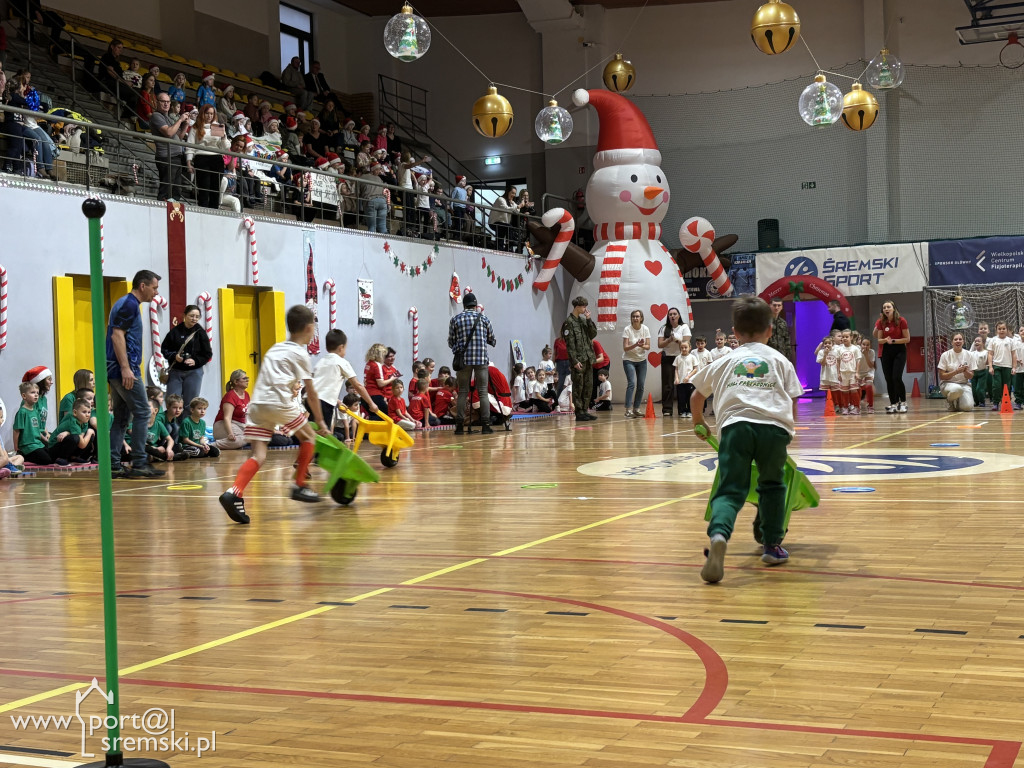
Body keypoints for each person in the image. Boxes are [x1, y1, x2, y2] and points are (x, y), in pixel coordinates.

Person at [691, 297, 804, 583]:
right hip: (773, 430)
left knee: (729, 489)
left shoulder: (725, 359)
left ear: (735, 332)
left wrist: (699, 422)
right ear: (770, 330)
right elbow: (793, 399)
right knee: (772, 486)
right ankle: (771, 545)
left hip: (735, 428)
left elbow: (697, 396)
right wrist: (788, 431)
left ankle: (719, 535)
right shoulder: (780, 359)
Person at [219, 306, 329, 524]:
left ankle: (234, 492)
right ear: (309, 328)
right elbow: (312, 393)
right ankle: (299, 485)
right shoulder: (300, 353)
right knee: (310, 437)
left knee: (258, 455)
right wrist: (320, 420)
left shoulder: (275, 348)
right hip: (279, 402)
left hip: (257, 405)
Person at [107, 270, 164, 478]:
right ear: (142, 286)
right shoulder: (129, 304)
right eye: (154, 288)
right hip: (124, 370)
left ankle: (113, 465)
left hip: (118, 369)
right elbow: (117, 336)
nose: (156, 293)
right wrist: (125, 368)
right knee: (143, 412)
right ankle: (139, 462)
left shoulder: (129, 304)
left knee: (122, 417)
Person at [309, 329, 379, 431]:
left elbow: (320, 387)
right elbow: (357, 385)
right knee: (322, 433)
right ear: (341, 348)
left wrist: (338, 402)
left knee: (314, 432)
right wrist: (371, 403)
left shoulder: (321, 362)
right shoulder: (341, 362)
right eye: (345, 348)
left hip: (310, 400)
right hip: (323, 403)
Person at [448, 292, 496, 435]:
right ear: (475, 305)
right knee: (483, 392)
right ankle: (486, 425)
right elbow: (492, 339)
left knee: (463, 391)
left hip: (463, 360)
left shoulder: (456, 319)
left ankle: (459, 426)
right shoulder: (484, 318)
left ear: (464, 305)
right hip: (481, 359)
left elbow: (451, 342)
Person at [161, 304, 213, 413]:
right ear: (184, 316)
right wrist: (174, 356)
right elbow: (164, 349)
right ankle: (172, 423)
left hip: (194, 372)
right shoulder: (175, 331)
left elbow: (207, 354)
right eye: (191, 316)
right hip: (176, 372)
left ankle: (186, 423)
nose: (194, 319)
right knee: (172, 402)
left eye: (197, 317)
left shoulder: (201, 333)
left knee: (190, 404)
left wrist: (196, 361)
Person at [186, 104, 229, 209]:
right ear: (202, 114)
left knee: (215, 189)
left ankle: (214, 211)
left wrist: (223, 137)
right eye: (207, 113)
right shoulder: (196, 127)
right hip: (201, 158)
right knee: (204, 188)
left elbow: (225, 147)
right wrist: (189, 162)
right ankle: (203, 211)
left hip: (217, 159)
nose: (210, 116)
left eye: (212, 114)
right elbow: (190, 146)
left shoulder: (217, 127)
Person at [563, 296, 598, 421]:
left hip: (588, 358)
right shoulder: (569, 322)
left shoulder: (583, 321)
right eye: (583, 306)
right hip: (578, 360)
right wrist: (574, 361)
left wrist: (589, 319)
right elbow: (569, 344)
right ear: (577, 307)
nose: (585, 309)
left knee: (588, 386)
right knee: (578, 386)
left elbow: (593, 334)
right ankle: (579, 412)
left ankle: (584, 409)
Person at [873, 300, 910, 413]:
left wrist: (893, 341)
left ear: (893, 308)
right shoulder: (881, 322)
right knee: (888, 379)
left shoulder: (901, 321)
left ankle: (903, 402)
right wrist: (885, 340)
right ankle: (893, 403)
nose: (886, 309)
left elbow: (907, 339)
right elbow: (879, 340)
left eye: (888, 307)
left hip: (899, 350)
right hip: (886, 351)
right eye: (884, 307)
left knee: (896, 377)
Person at [151, 91, 189, 201]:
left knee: (176, 191)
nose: (166, 104)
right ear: (157, 102)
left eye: (168, 102)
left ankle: (173, 210)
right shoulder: (156, 116)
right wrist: (180, 119)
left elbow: (179, 137)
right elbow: (168, 133)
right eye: (163, 101)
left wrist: (186, 124)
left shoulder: (167, 118)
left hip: (176, 156)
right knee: (166, 190)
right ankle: (162, 208)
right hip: (167, 157)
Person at [657, 307, 691, 417]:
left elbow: (686, 343)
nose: (672, 316)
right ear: (668, 316)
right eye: (670, 314)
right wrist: (669, 340)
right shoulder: (664, 328)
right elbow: (660, 345)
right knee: (668, 384)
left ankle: (683, 409)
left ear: (679, 315)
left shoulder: (684, 327)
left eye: (674, 314)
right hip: (668, 358)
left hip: (681, 358)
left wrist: (677, 340)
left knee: (682, 384)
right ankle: (667, 409)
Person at [13, 381, 54, 464]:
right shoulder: (22, 412)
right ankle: (24, 456)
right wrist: (16, 447)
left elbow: (37, 430)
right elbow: (16, 431)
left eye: (37, 393)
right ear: (24, 396)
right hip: (28, 446)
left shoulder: (35, 411)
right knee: (47, 460)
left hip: (38, 443)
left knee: (53, 455)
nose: (36, 395)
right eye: (32, 392)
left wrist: (46, 441)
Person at [622, 309, 650, 418]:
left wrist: (641, 345)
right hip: (629, 360)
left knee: (641, 385)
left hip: (642, 360)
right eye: (633, 316)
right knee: (631, 383)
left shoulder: (645, 329)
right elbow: (625, 348)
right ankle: (628, 409)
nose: (635, 318)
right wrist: (636, 344)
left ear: (641, 318)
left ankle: (636, 409)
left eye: (637, 316)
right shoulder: (627, 329)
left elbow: (648, 346)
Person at [212, 370, 250, 450]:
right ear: (236, 382)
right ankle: (208, 446)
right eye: (244, 378)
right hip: (223, 424)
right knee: (242, 440)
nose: (247, 380)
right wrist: (230, 433)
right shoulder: (230, 396)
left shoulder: (246, 394)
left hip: (239, 425)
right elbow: (227, 418)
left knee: (254, 436)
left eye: (247, 378)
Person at [938, 332, 975, 412]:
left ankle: (958, 401)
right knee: (957, 389)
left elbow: (971, 376)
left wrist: (965, 371)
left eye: (960, 339)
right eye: (955, 339)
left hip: (964, 384)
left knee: (967, 407)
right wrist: (956, 371)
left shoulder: (970, 355)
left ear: (963, 342)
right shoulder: (945, 355)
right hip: (948, 384)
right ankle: (950, 401)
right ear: (952, 342)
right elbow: (941, 376)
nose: (958, 341)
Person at [987, 321, 1017, 410]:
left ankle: (1006, 402)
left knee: (1007, 385)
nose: (1002, 330)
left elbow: (1014, 355)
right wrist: (990, 366)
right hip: (996, 366)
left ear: (1007, 330)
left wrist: (1014, 367)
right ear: (996, 330)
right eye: (999, 329)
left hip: (1007, 367)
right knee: (996, 386)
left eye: (1004, 329)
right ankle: (996, 403)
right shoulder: (993, 340)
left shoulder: (1011, 341)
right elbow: (990, 354)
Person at [144, 396, 182, 462]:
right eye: (175, 407)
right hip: (151, 446)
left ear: (156, 410)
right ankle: (168, 457)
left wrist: (169, 449)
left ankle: (165, 455)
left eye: (180, 408)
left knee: (178, 446)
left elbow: (170, 440)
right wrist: (157, 448)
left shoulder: (172, 418)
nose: (178, 410)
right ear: (168, 407)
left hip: (158, 445)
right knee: (169, 427)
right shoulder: (158, 418)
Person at [836, 329, 863, 415]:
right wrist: (838, 373)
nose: (844, 338)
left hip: (852, 373)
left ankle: (856, 407)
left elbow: (858, 361)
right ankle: (845, 407)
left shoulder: (855, 349)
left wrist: (857, 372)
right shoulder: (839, 349)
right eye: (843, 337)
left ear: (851, 337)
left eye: (846, 337)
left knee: (854, 390)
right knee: (844, 391)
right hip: (843, 373)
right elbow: (838, 361)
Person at [672, 340, 698, 418]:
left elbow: (695, 369)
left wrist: (688, 377)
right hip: (681, 382)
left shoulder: (692, 357)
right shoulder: (678, 358)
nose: (684, 349)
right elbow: (676, 369)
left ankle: (690, 411)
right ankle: (682, 411)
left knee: (690, 397)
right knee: (681, 397)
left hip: (690, 382)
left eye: (685, 347)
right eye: (682, 347)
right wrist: (676, 378)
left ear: (690, 347)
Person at [971, 325, 992, 408]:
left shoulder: (986, 352)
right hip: (974, 373)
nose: (976, 342)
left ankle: (982, 401)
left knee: (979, 389)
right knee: (973, 389)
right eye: (975, 341)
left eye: (978, 341)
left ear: (983, 343)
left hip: (982, 372)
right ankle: (976, 402)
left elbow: (988, 362)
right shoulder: (972, 353)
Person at [858, 337, 876, 414]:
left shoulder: (872, 352)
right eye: (863, 344)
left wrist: (866, 355)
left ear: (870, 346)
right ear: (860, 344)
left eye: (867, 345)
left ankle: (870, 406)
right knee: (857, 387)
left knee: (868, 386)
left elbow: (871, 365)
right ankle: (856, 405)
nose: (865, 346)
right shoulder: (857, 351)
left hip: (869, 371)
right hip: (859, 372)